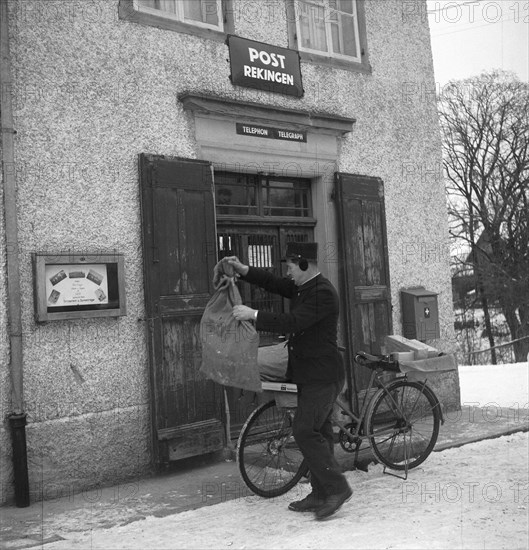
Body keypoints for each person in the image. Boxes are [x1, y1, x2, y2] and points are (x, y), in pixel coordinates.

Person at [228, 242, 352, 520]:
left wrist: (254, 315)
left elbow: (293, 322)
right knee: (319, 432)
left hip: (323, 376)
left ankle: (337, 488)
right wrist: (244, 270)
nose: (288, 273)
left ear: (305, 264)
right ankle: (321, 492)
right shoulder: (303, 287)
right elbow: (273, 282)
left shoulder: (323, 294)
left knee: (305, 430)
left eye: (291, 267)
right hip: (310, 374)